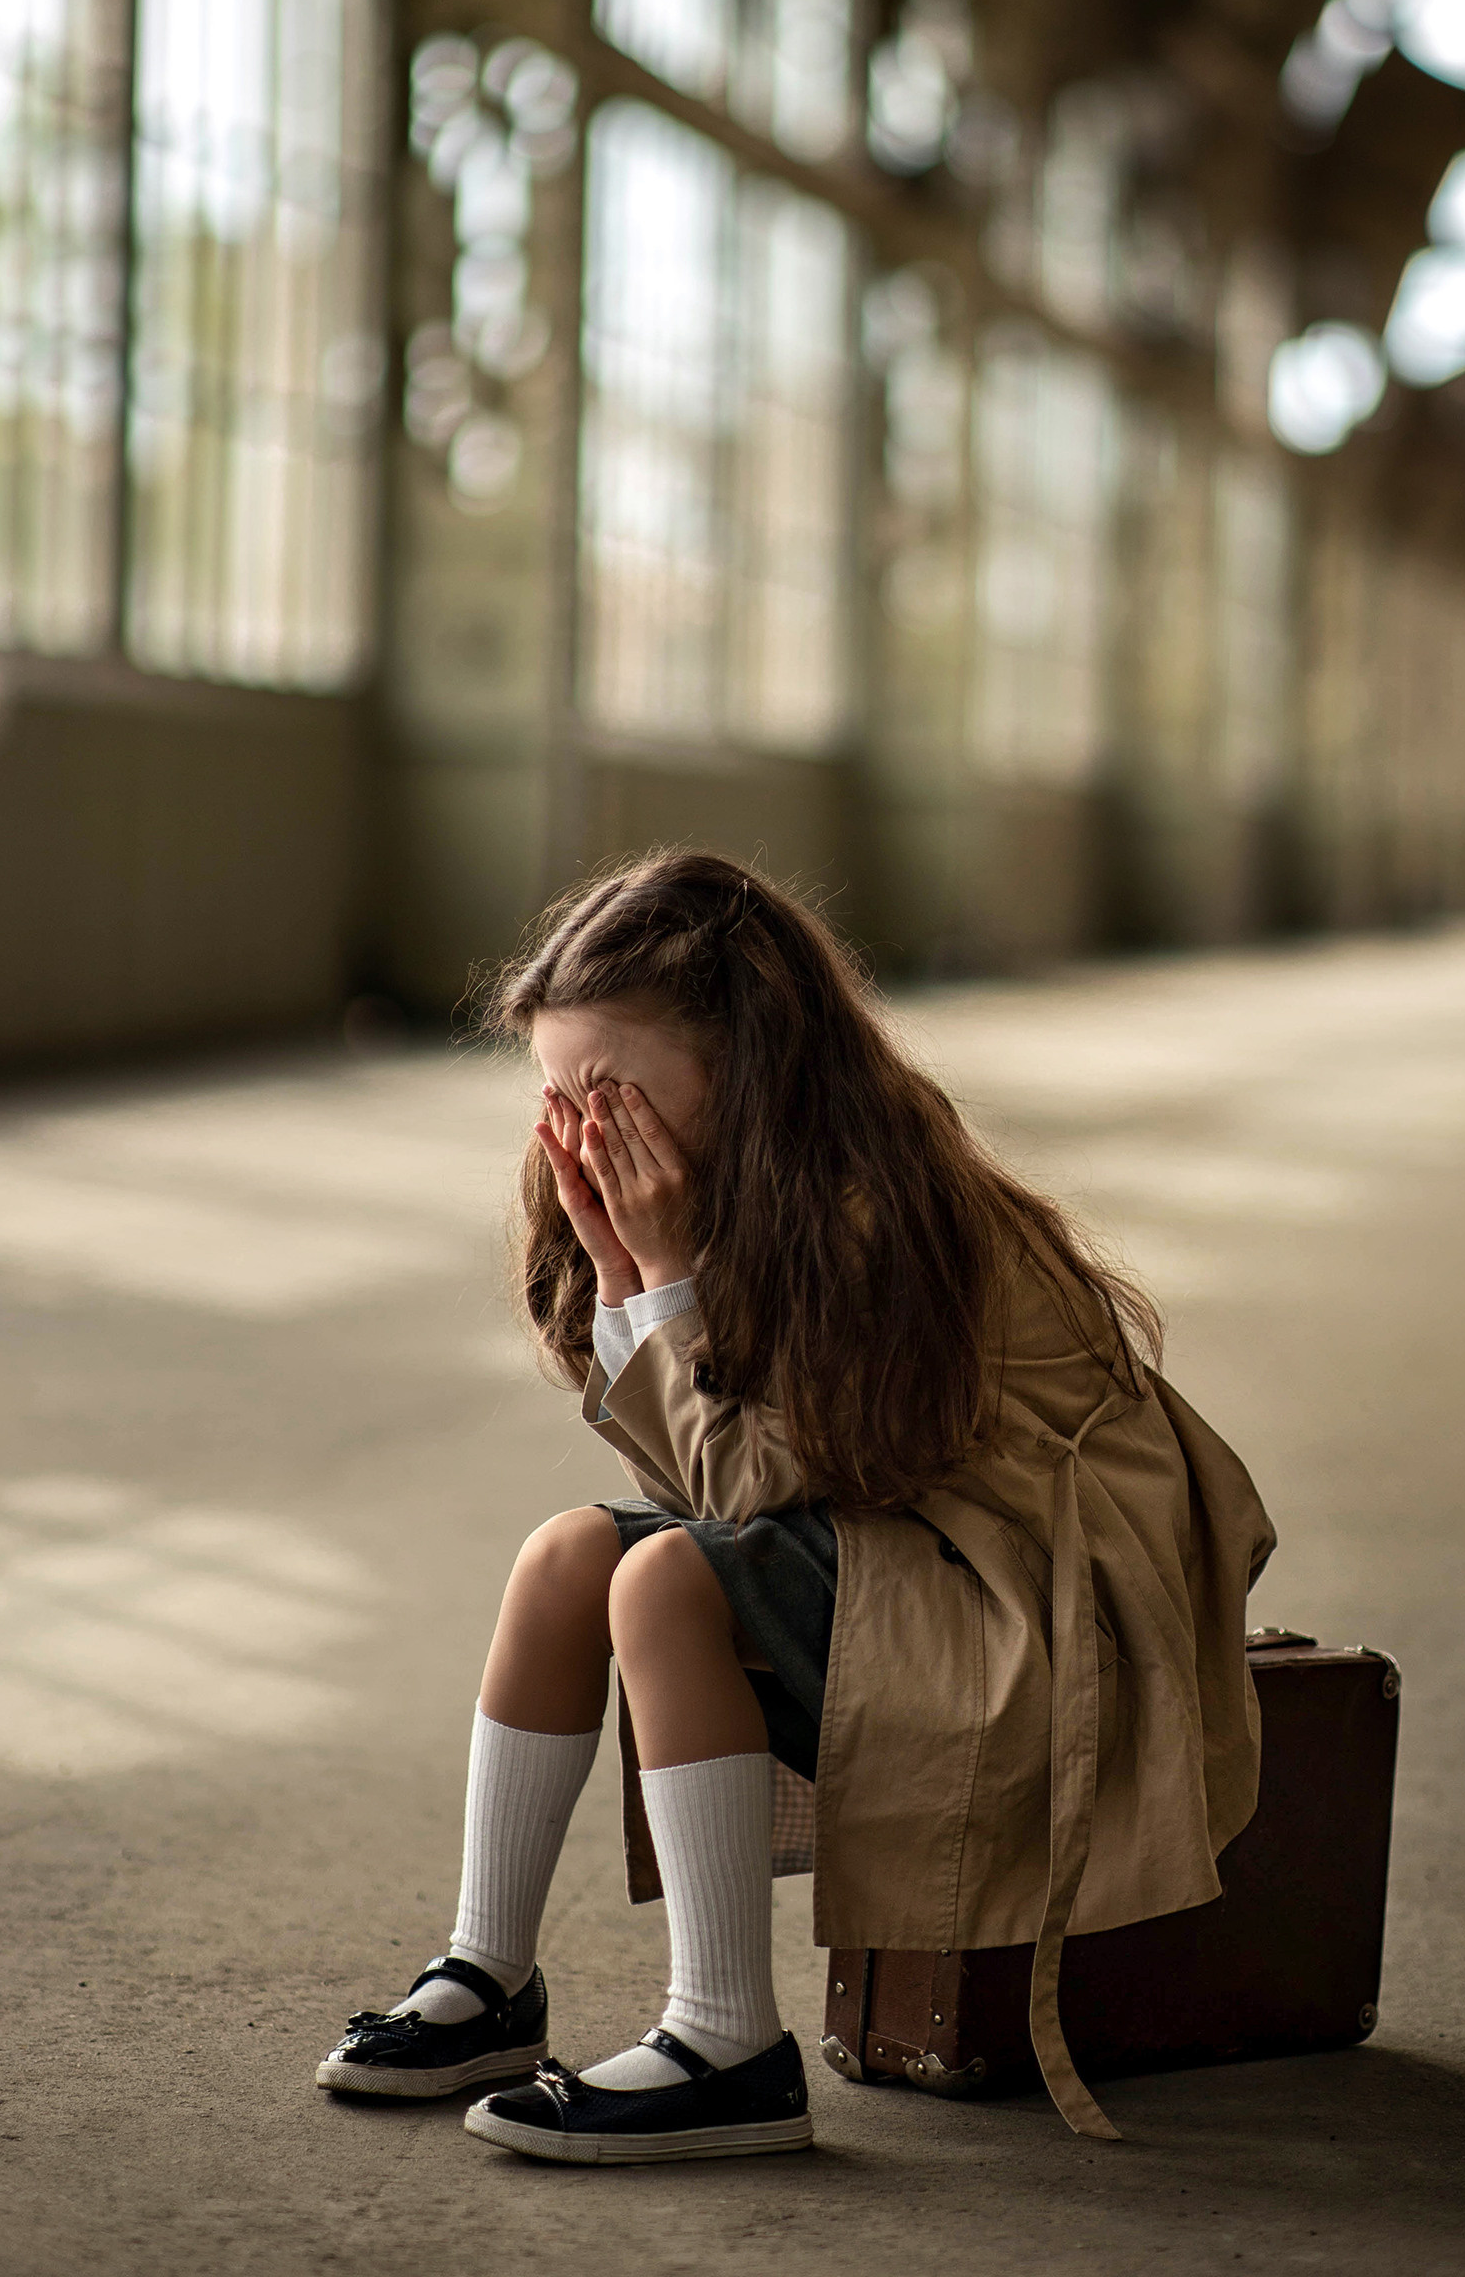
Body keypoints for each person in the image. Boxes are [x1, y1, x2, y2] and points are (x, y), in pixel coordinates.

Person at [316, 850, 1275, 2163]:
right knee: (566, 1557)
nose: (586, 1130)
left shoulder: (878, 1211)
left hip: (1034, 1614)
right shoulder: (713, 1187)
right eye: (557, 1096)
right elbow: (713, 1483)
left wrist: (655, 1273)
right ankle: (490, 1978)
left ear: (746, 1064)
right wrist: (625, 1272)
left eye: (616, 1091)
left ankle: (726, 2043)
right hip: (902, 1556)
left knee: (660, 1581)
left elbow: (748, 1490)